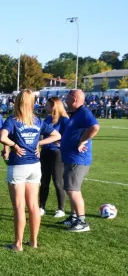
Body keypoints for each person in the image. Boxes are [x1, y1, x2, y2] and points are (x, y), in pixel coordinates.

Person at [0, 90, 61, 251]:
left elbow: (2, 137)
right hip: (35, 166)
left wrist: (14, 145)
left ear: (18, 102)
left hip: (18, 165)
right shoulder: (37, 121)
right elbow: (56, 135)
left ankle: (18, 244)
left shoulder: (13, 120)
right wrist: (38, 144)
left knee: (19, 207)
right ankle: (33, 241)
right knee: (33, 205)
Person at [58, 89, 100, 232]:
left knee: (73, 189)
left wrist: (82, 141)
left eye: (68, 99)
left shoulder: (84, 113)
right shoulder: (76, 114)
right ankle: (74, 217)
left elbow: (95, 127)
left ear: (75, 99)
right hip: (71, 158)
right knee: (71, 188)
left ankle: (82, 221)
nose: (65, 101)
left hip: (77, 159)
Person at [39, 97, 69, 218]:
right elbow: (41, 134)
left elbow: (69, 137)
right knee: (44, 181)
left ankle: (61, 209)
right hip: (45, 152)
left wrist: (61, 143)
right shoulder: (47, 119)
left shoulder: (64, 120)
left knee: (58, 181)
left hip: (57, 154)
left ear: (54, 106)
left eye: (47, 105)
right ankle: (41, 207)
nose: (45, 107)